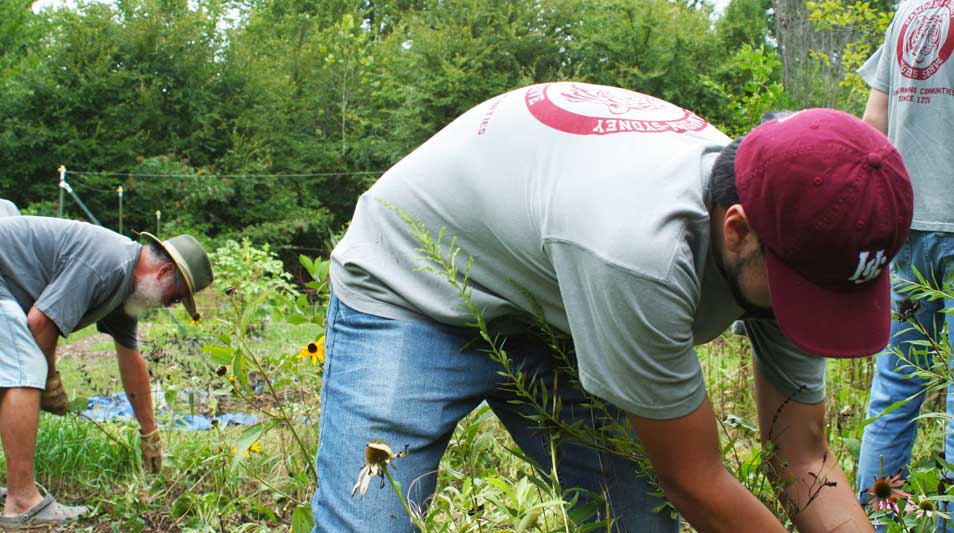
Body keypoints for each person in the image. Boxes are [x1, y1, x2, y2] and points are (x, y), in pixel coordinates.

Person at [313, 81, 913, 532]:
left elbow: (803, 455)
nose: (804, 312)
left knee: (633, 523)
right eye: (800, 292)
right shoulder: (640, 249)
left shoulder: (805, 234)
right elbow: (695, 480)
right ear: (738, 231)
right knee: (371, 519)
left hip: (560, 293)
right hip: (414, 282)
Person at [0, 216, 213, 529]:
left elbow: (130, 357)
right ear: (165, 272)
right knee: (25, 368)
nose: (170, 305)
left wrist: (149, 431)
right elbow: (40, 324)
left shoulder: (126, 286)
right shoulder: (107, 263)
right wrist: (47, 380)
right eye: (177, 297)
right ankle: (22, 503)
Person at [855, 0, 954, 524]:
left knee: (894, 390)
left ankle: (873, 521)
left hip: (909, 229)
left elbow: (875, 122)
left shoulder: (911, 9)